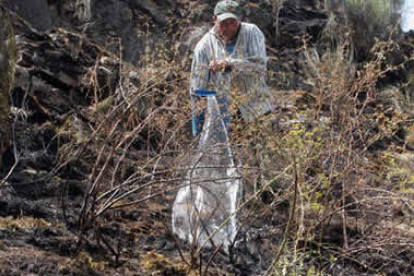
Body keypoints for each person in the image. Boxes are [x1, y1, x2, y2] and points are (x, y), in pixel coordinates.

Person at [190, 0, 273, 136]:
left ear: (239, 20)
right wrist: (199, 128)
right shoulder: (204, 46)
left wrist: (229, 65)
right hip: (226, 117)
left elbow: (259, 67)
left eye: (233, 23)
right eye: (224, 24)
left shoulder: (252, 32)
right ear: (214, 19)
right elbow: (197, 87)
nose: (229, 28)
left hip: (258, 108)